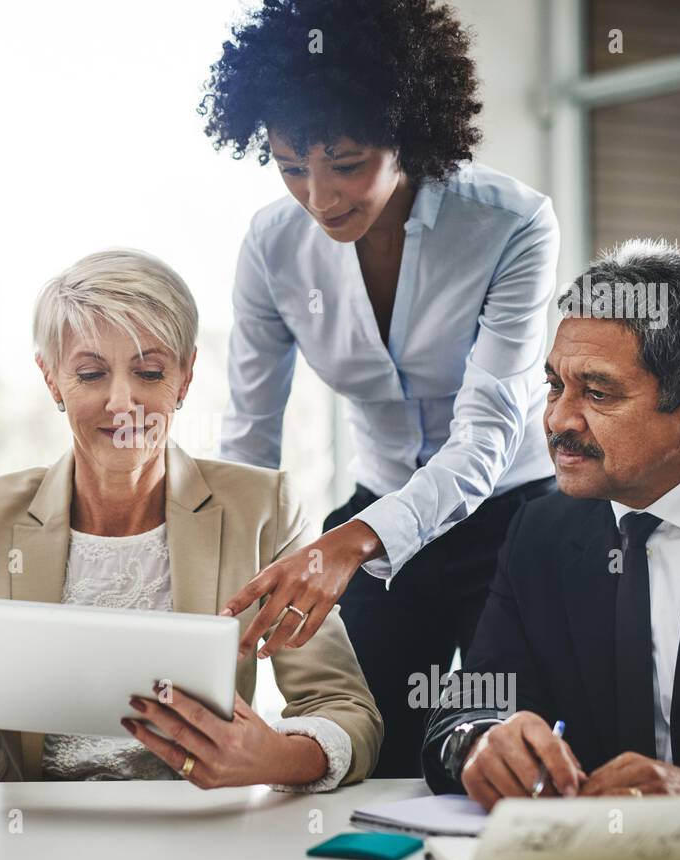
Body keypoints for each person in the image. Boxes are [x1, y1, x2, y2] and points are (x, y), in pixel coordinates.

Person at [199, 0, 559, 775]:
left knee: (509, 743)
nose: (320, 197)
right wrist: (227, 568)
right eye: (292, 166)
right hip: (378, 499)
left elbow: (485, 438)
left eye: (347, 161)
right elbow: (251, 438)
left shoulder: (512, 225)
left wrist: (353, 540)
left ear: (409, 133)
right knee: (369, 738)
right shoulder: (271, 247)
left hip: (516, 510)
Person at [0, 249, 381, 792]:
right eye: (90, 374)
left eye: (150, 371)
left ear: (184, 379)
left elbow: (348, 711)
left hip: (205, 834)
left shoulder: (264, 508)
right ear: (51, 381)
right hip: (27, 838)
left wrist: (275, 758)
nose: (123, 402)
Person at [422, 239, 680, 860]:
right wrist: (479, 742)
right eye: (554, 385)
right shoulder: (540, 531)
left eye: (598, 393)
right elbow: (464, 708)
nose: (558, 420)